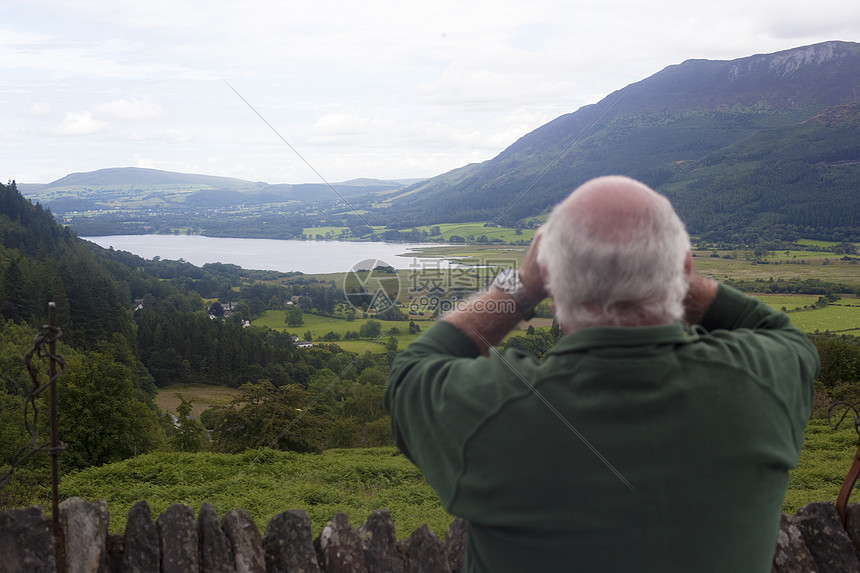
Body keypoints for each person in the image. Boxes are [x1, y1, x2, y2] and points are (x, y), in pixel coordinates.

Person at [384, 175, 818, 572]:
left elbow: (413, 369)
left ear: (550, 281)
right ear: (684, 271)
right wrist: (662, 271)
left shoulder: (492, 411)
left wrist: (521, 285)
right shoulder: (762, 383)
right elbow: (778, 332)